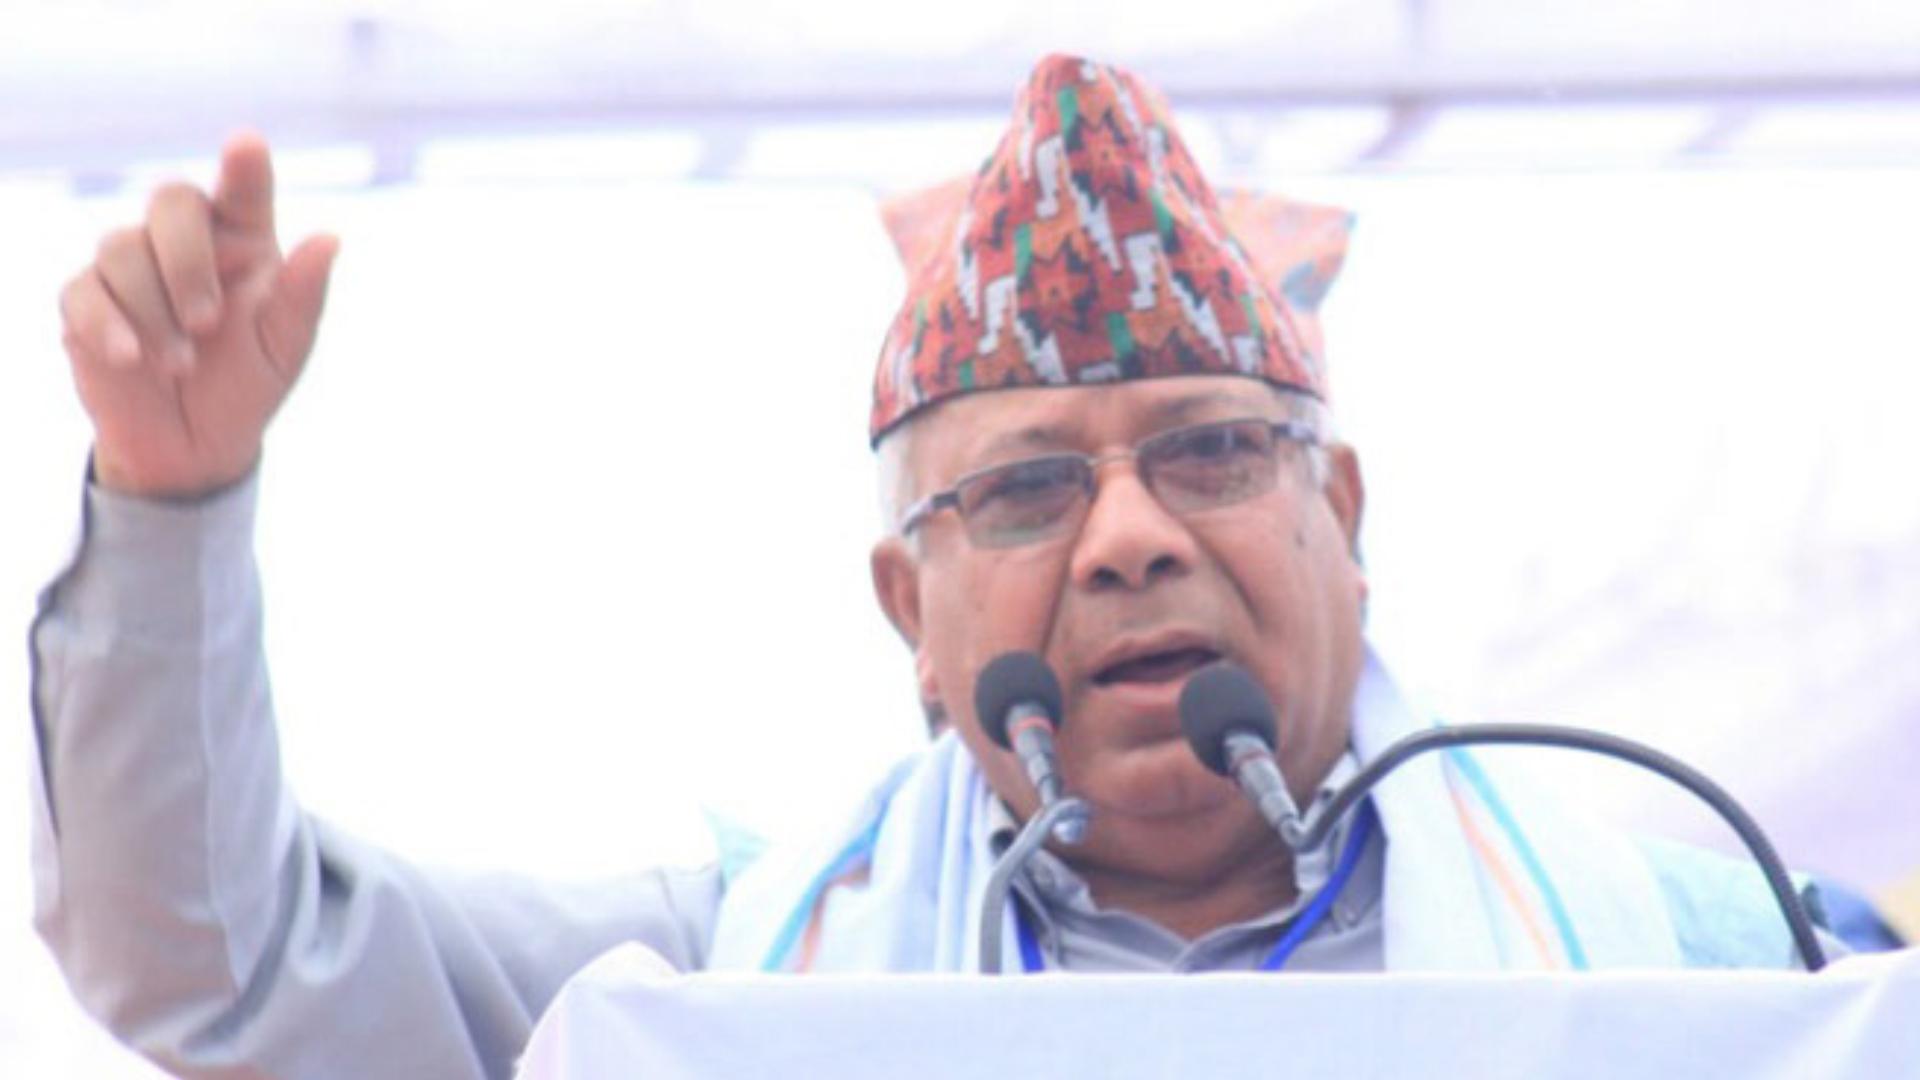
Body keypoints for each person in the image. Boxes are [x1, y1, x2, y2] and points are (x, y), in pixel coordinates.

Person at [30, 55, 1827, 1080]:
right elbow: (221, 960)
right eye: (1029, 491)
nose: (1132, 539)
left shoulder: (1713, 958)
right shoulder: (734, 987)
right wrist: (174, 502)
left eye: (1211, 452)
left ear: (1343, 522)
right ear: (912, 613)